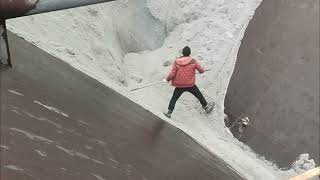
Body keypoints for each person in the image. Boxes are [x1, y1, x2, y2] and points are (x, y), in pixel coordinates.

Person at [163, 46, 214, 118]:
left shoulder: (177, 61)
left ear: (183, 53)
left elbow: (173, 73)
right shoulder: (193, 61)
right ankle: (206, 107)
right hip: (190, 85)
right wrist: (201, 71)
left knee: (174, 98)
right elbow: (201, 70)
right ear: (189, 53)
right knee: (199, 95)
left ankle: (169, 112)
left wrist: (167, 79)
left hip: (180, 85)